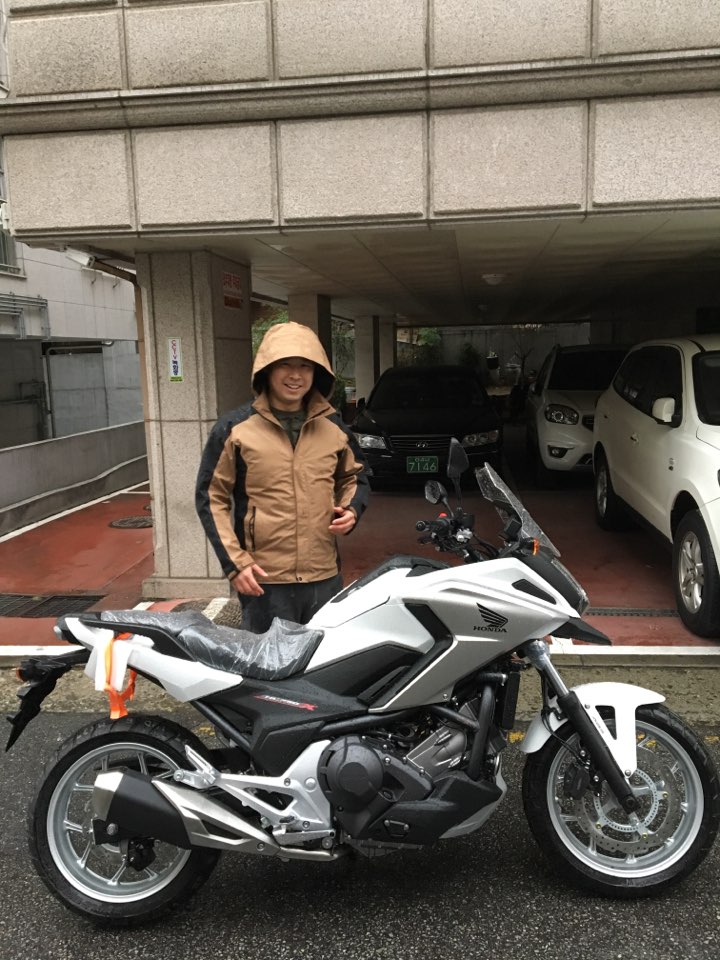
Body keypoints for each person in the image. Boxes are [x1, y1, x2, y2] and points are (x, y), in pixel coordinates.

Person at [196, 321, 370, 633]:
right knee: (268, 660)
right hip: (265, 579)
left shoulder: (333, 427)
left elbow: (355, 475)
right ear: (267, 370)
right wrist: (235, 563)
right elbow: (211, 497)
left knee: (323, 657)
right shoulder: (235, 429)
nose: (295, 375)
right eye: (285, 365)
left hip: (323, 575)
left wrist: (351, 509)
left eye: (305, 366)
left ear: (317, 373)